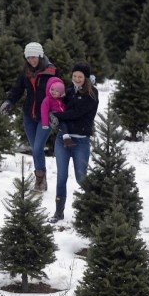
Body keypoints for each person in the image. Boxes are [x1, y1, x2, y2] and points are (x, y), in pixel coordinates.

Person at [0, 42, 62, 192]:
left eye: (33, 57)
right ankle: (41, 179)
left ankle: (40, 180)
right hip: (29, 115)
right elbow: (18, 90)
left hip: (45, 116)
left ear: (40, 55)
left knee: (37, 148)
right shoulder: (25, 71)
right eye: (28, 57)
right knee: (35, 149)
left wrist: (56, 112)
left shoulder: (52, 71)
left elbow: (60, 93)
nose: (31, 60)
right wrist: (9, 101)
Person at [48, 61, 99, 223]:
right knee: (61, 176)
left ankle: (94, 207)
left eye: (80, 76)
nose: (77, 79)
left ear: (86, 78)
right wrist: (56, 117)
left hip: (81, 142)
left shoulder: (92, 94)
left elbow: (76, 113)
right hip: (62, 140)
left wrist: (57, 115)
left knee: (81, 178)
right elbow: (61, 109)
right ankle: (58, 212)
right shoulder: (69, 93)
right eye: (75, 76)